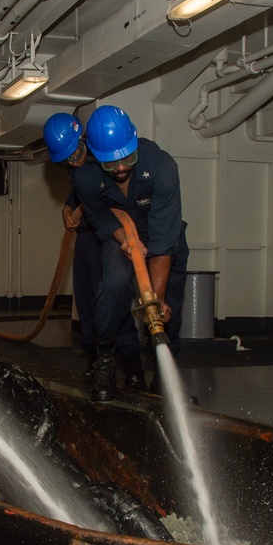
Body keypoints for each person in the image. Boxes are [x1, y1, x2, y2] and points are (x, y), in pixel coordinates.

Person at [72, 105, 189, 402]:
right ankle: (104, 362)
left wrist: (155, 301)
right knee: (112, 286)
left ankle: (165, 380)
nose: (121, 167)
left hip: (164, 235)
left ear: (135, 143)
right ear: (95, 156)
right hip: (120, 235)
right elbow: (98, 217)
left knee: (168, 307)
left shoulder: (162, 167)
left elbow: (163, 241)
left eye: (127, 158)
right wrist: (122, 236)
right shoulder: (85, 178)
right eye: (110, 164)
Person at [42, 113, 146, 390]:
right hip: (88, 235)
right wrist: (67, 206)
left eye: (75, 153)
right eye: (65, 160)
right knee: (87, 299)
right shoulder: (73, 160)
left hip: (112, 233)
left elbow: (109, 193)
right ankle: (98, 364)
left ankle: (133, 368)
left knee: (113, 298)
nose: (72, 162)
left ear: (83, 139)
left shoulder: (105, 155)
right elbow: (80, 187)